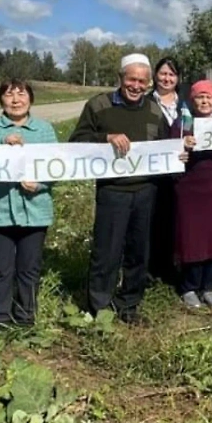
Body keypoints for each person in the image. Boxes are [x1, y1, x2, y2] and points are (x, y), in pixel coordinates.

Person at [69, 53, 168, 323]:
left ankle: (129, 304)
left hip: (146, 191)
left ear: (149, 84)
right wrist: (105, 138)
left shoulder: (155, 111)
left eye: (142, 81)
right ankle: (98, 305)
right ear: (120, 78)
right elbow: (76, 141)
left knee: (139, 251)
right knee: (106, 250)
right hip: (113, 191)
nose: (136, 86)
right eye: (131, 79)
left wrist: (179, 155)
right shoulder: (98, 105)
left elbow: (166, 147)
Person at [0, 79, 59, 328]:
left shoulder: (44, 130)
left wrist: (40, 184)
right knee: (1, 268)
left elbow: (57, 166)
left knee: (29, 268)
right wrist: (1, 145)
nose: (15, 100)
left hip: (35, 211)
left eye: (21, 94)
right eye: (9, 95)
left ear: (30, 99)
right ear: (1, 100)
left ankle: (25, 317)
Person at [172, 80, 212, 309]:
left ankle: (208, 286)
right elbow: (170, 152)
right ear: (192, 100)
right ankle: (189, 287)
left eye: (209, 97)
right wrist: (182, 146)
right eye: (200, 97)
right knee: (192, 237)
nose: (204, 101)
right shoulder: (182, 123)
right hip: (190, 189)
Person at [148, 57, 187, 287]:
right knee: (155, 219)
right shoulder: (145, 103)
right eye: (163, 73)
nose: (167, 78)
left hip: (182, 173)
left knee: (177, 218)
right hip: (154, 172)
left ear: (178, 78)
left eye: (171, 74)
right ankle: (152, 268)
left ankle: (174, 266)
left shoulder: (185, 105)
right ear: (155, 76)